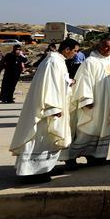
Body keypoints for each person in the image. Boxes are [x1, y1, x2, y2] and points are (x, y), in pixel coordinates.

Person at [9, 39, 80, 183]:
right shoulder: (54, 62)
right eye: (75, 50)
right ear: (67, 49)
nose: (76, 53)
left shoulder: (57, 61)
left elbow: (58, 81)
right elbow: (50, 85)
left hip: (50, 106)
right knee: (41, 138)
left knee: (47, 140)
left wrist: (68, 82)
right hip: (46, 109)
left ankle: (44, 168)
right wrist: (53, 108)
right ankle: (32, 173)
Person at [61, 38, 110, 168]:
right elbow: (83, 81)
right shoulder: (90, 62)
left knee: (104, 131)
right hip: (95, 104)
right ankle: (70, 158)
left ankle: (98, 157)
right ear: (99, 45)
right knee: (87, 131)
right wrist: (86, 99)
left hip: (109, 104)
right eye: (106, 46)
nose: (109, 49)